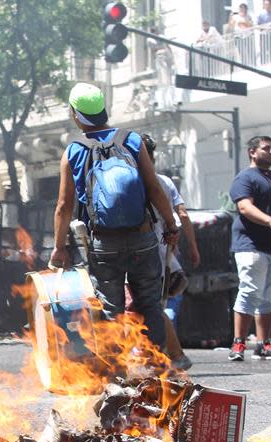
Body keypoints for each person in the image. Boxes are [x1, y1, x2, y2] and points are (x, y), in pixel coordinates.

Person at [50, 83, 180, 352]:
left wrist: (59, 248)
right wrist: (170, 224)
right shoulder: (131, 140)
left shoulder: (73, 151)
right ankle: (157, 372)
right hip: (142, 236)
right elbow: (154, 188)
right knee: (149, 305)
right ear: (103, 110)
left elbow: (64, 206)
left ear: (75, 114)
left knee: (111, 310)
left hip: (103, 243)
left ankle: (117, 376)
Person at [228, 136, 271, 362]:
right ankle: (239, 343)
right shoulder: (245, 178)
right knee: (249, 292)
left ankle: (264, 343)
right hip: (251, 246)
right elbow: (244, 207)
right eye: (266, 148)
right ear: (252, 152)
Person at [139, 134, 201, 369]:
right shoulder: (165, 181)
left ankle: (172, 355)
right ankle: (162, 355)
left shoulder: (137, 180)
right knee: (152, 304)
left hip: (144, 253)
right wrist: (192, 247)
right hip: (164, 253)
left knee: (146, 304)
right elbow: (182, 215)